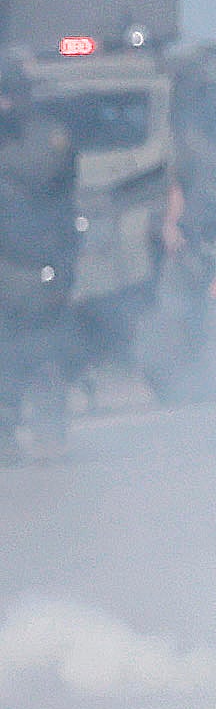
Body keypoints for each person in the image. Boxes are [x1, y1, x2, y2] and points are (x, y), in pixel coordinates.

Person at [0, 64, 79, 458]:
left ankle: (50, 433)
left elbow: (44, 175)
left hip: (41, 260)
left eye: (10, 95)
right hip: (5, 264)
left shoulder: (48, 136)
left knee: (44, 349)